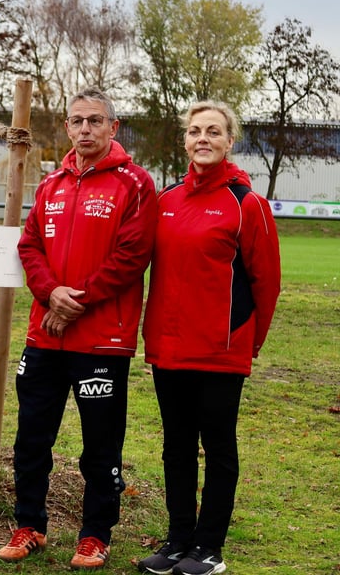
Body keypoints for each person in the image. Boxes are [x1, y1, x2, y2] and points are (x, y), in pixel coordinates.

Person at [0, 87, 156, 570]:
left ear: (114, 127)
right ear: (66, 128)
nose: (85, 129)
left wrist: (75, 300)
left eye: (95, 121)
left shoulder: (135, 183)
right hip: (45, 334)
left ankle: (95, 534)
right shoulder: (52, 185)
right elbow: (28, 247)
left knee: (100, 444)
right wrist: (50, 293)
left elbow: (131, 256)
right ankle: (30, 525)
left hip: (101, 340)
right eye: (77, 121)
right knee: (31, 439)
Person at [137, 101, 281, 575]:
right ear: (185, 141)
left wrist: (247, 343)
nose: (203, 138)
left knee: (217, 447)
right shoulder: (167, 200)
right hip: (168, 349)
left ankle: (209, 548)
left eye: (213, 131)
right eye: (195, 131)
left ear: (228, 141)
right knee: (176, 446)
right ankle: (178, 541)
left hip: (221, 351)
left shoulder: (247, 204)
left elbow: (267, 283)